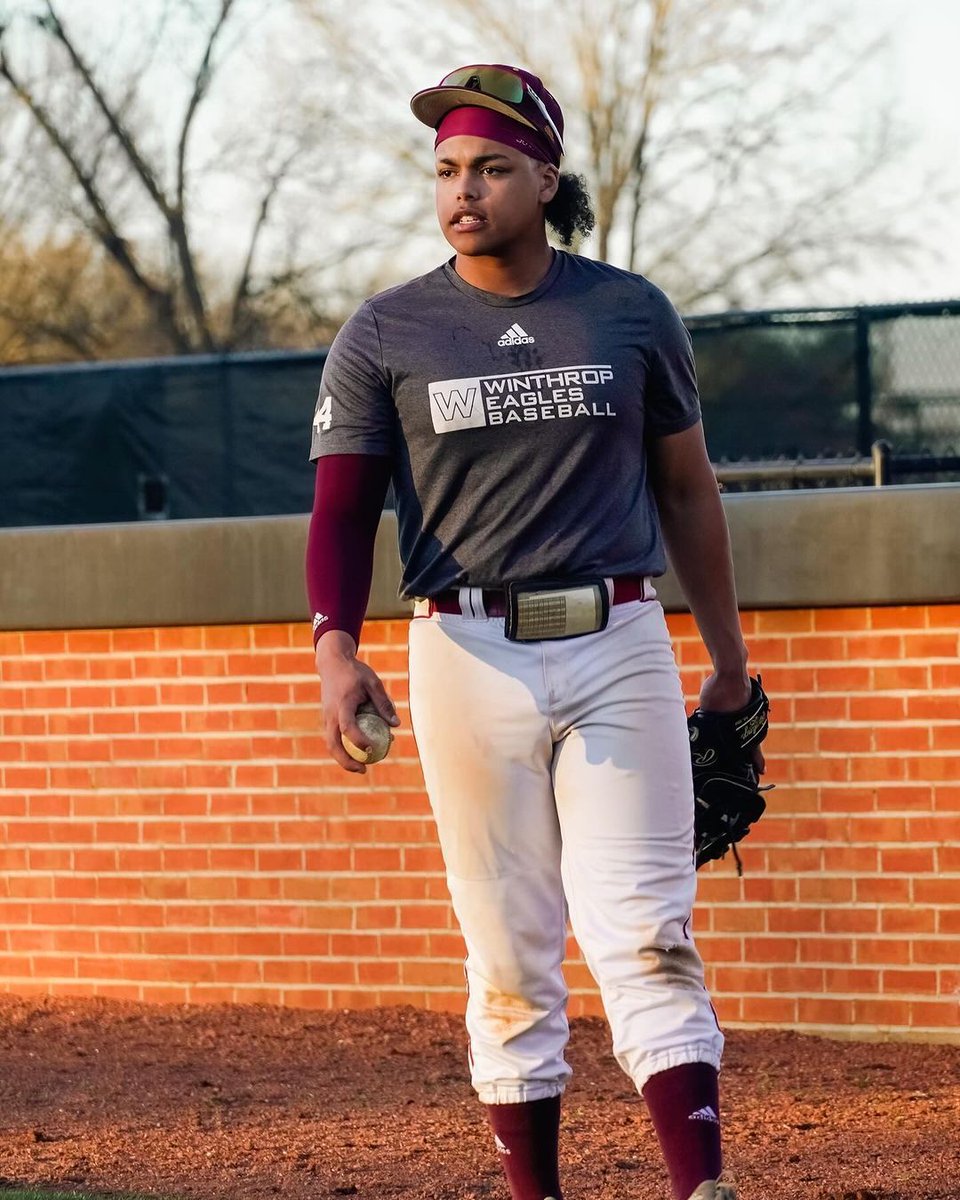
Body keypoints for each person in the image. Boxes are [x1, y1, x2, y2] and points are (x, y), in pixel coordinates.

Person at [305, 62, 752, 1200]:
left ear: (546, 179)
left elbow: (690, 493)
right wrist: (335, 645)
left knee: (647, 932)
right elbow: (344, 508)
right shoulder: (387, 330)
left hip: (620, 641)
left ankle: (701, 1186)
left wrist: (729, 661)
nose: (464, 191)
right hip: (465, 652)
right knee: (508, 956)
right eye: (448, 169)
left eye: (494, 167)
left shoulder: (629, 311)